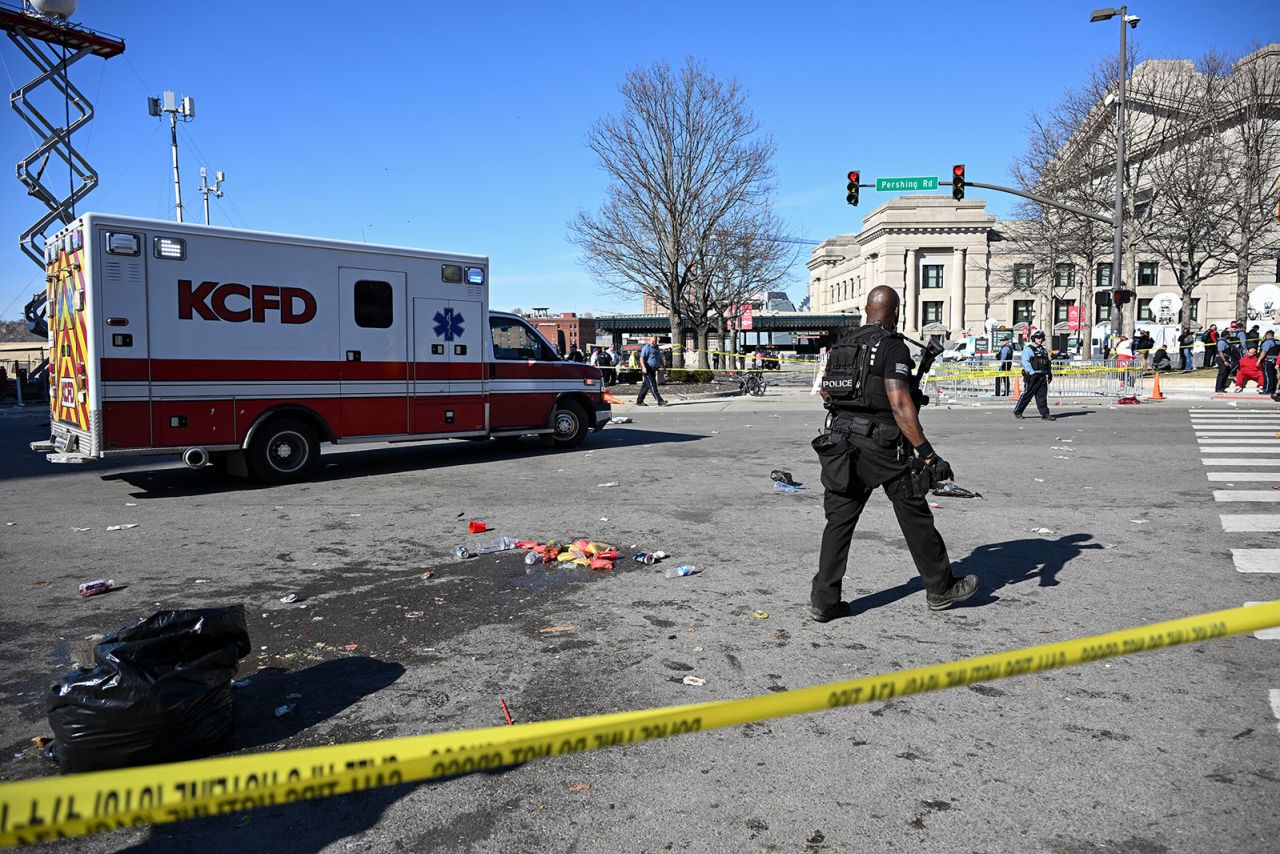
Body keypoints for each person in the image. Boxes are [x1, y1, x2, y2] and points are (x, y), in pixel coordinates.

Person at [810, 285, 979, 621]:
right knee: (915, 516)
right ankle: (941, 589)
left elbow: (827, 393)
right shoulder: (892, 347)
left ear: (865, 309)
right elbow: (901, 406)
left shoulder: (843, 345)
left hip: (841, 444)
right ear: (897, 312)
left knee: (838, 522)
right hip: (884, 448)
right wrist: (928, 455)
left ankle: (824, 602)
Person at [1013, 330, 1055, 421]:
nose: (1039, 340)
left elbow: (1047, 363)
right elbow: (1025, 362)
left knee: (1042, 397)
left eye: (1041, 338)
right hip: (1033, 376)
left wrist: (1049, 373)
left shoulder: (1043, 350)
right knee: (1027, 395)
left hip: (1042, 375)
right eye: (1037, 338)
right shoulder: (1029, 349)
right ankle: (1018, 411)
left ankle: (1045, 414)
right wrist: (1032, 373)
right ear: (1034, 339)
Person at [635, 338, 667, 406]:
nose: (653, 342)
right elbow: (641, 358)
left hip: (653, 369)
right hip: (647, 368)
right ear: (649, 341)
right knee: (653, 385)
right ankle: (659, 400)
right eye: (652, 341)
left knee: (646, 386)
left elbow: (659, 358)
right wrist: (643, 367)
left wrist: (663, 367)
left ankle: (639, 401)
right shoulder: (646, 347)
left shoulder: (657, 348)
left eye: (655, 341)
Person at [1259, 330, 1278, 395]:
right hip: (1276, 361)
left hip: (1268, 361)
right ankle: (1273, 389)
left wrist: (1259, 360)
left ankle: (1267, 390)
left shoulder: (1268, 342)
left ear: (1267, 335)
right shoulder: (1277, 341)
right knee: (1273, 375)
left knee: (1267, 375)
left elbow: (1264, 352)